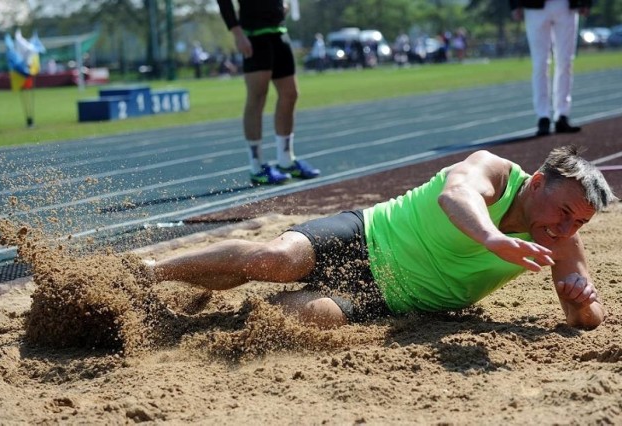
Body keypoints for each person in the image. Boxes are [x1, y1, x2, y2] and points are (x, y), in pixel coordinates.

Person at [151, 146, 617, 330]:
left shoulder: (559, 240)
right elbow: (455, 196)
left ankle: (186, 323)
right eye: (563, 213)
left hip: (390, 298)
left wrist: (579, 302)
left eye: (579, 224)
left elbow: (589, 317)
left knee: (297, 319)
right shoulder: (494, 170)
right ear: (537, 182)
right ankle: (150, 272)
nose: (565, 229)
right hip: (366, 234)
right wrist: (492, 237)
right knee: (277, 259)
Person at [216, 0, 320, 185]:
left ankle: (286, 160)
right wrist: (237, 33)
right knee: (257, 96)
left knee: (290, 94)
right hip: (254, 35)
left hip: (279, 32)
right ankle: (256, 166)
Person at [510, 0, 589, 136]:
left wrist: (586, 2)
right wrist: (514, 4)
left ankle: (562, 115)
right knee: (540, 63)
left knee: (565, 62)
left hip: (565, 5)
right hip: (535, 8)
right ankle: (543, 116)